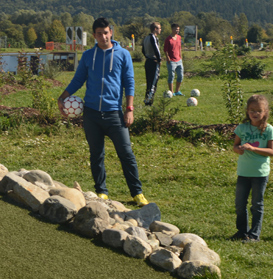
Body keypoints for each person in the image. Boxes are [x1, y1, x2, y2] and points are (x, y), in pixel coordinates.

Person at [58, 18, 147, 206]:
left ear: (111, 32)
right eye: (99, 33)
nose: (103, 36)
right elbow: (78, 80)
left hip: (115, 113)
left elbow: (129, 83)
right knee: (96, 154)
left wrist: (129, 109)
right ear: (94, 35)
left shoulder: (123, 54)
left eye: (106, 32)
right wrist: (62, 97)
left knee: (126, 153)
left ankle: (137, 193)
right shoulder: (89, 56)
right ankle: (102, 191)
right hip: (91, 114)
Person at [231, 94, 273, 242]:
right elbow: (235, 145)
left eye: (259, 110)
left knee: (257, 204)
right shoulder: (242, 128)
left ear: (265, 112)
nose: (255, 113)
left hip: (259, 173)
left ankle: (254, 234)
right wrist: (238, 149)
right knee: (240, 204)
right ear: (247, 111)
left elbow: (272, 152)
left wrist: (252, 148)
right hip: (243, 172)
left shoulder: (270, 130)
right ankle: (241, 232)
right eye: (252, 110)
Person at [142, 22, 162, 105]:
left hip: (147, 61)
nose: (160, 30)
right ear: (155, 29)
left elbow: (143, 50)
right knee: (153, 82)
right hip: (153, 62)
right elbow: (156, 49)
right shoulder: (153, 37)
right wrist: (159, 59)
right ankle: (149, 101)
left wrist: (147, 56)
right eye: (159, 28)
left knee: (149, 81)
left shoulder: (146, 38)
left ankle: (147, 98)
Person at [164, 23, 184, 96]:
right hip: (171, 61)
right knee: (171, 76)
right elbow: (165, 50)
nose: (177, 30)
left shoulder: (179, 37)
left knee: (180, 76)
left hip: (179, 60)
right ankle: (171, 92)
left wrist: (180, 57)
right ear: (172, 29)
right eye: (176, 29)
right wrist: (168, 58)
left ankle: (177, 91)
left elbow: (179, 48)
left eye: (178, 29)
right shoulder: (168, 39)